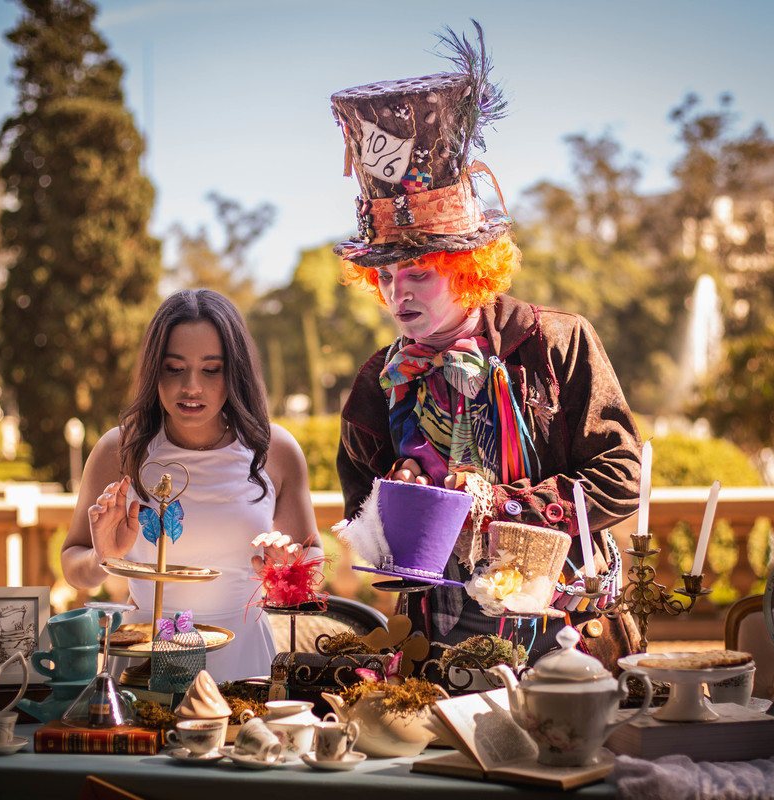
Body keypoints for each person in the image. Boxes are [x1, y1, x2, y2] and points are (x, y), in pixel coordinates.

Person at [331, 25, 642, 668]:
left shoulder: (556, 342)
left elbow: (621, 478)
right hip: (432, 641)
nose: (397, 294)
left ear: (469, 264)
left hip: (563, 632)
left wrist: (497, 505)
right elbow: (364, 520)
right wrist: (402, 493)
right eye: (385, 276)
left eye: (418, 271)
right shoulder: (379, 379)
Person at [61, 289, 322, 682]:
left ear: (234, 371)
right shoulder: (119, 451)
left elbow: (313, 562)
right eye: (174, 368)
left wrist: (288, 573)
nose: (192, 387)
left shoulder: (275, 451)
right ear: (154, 371)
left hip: (244, 663)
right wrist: (103, 557)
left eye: (211, 369)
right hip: (143, 664)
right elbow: (74, 568)